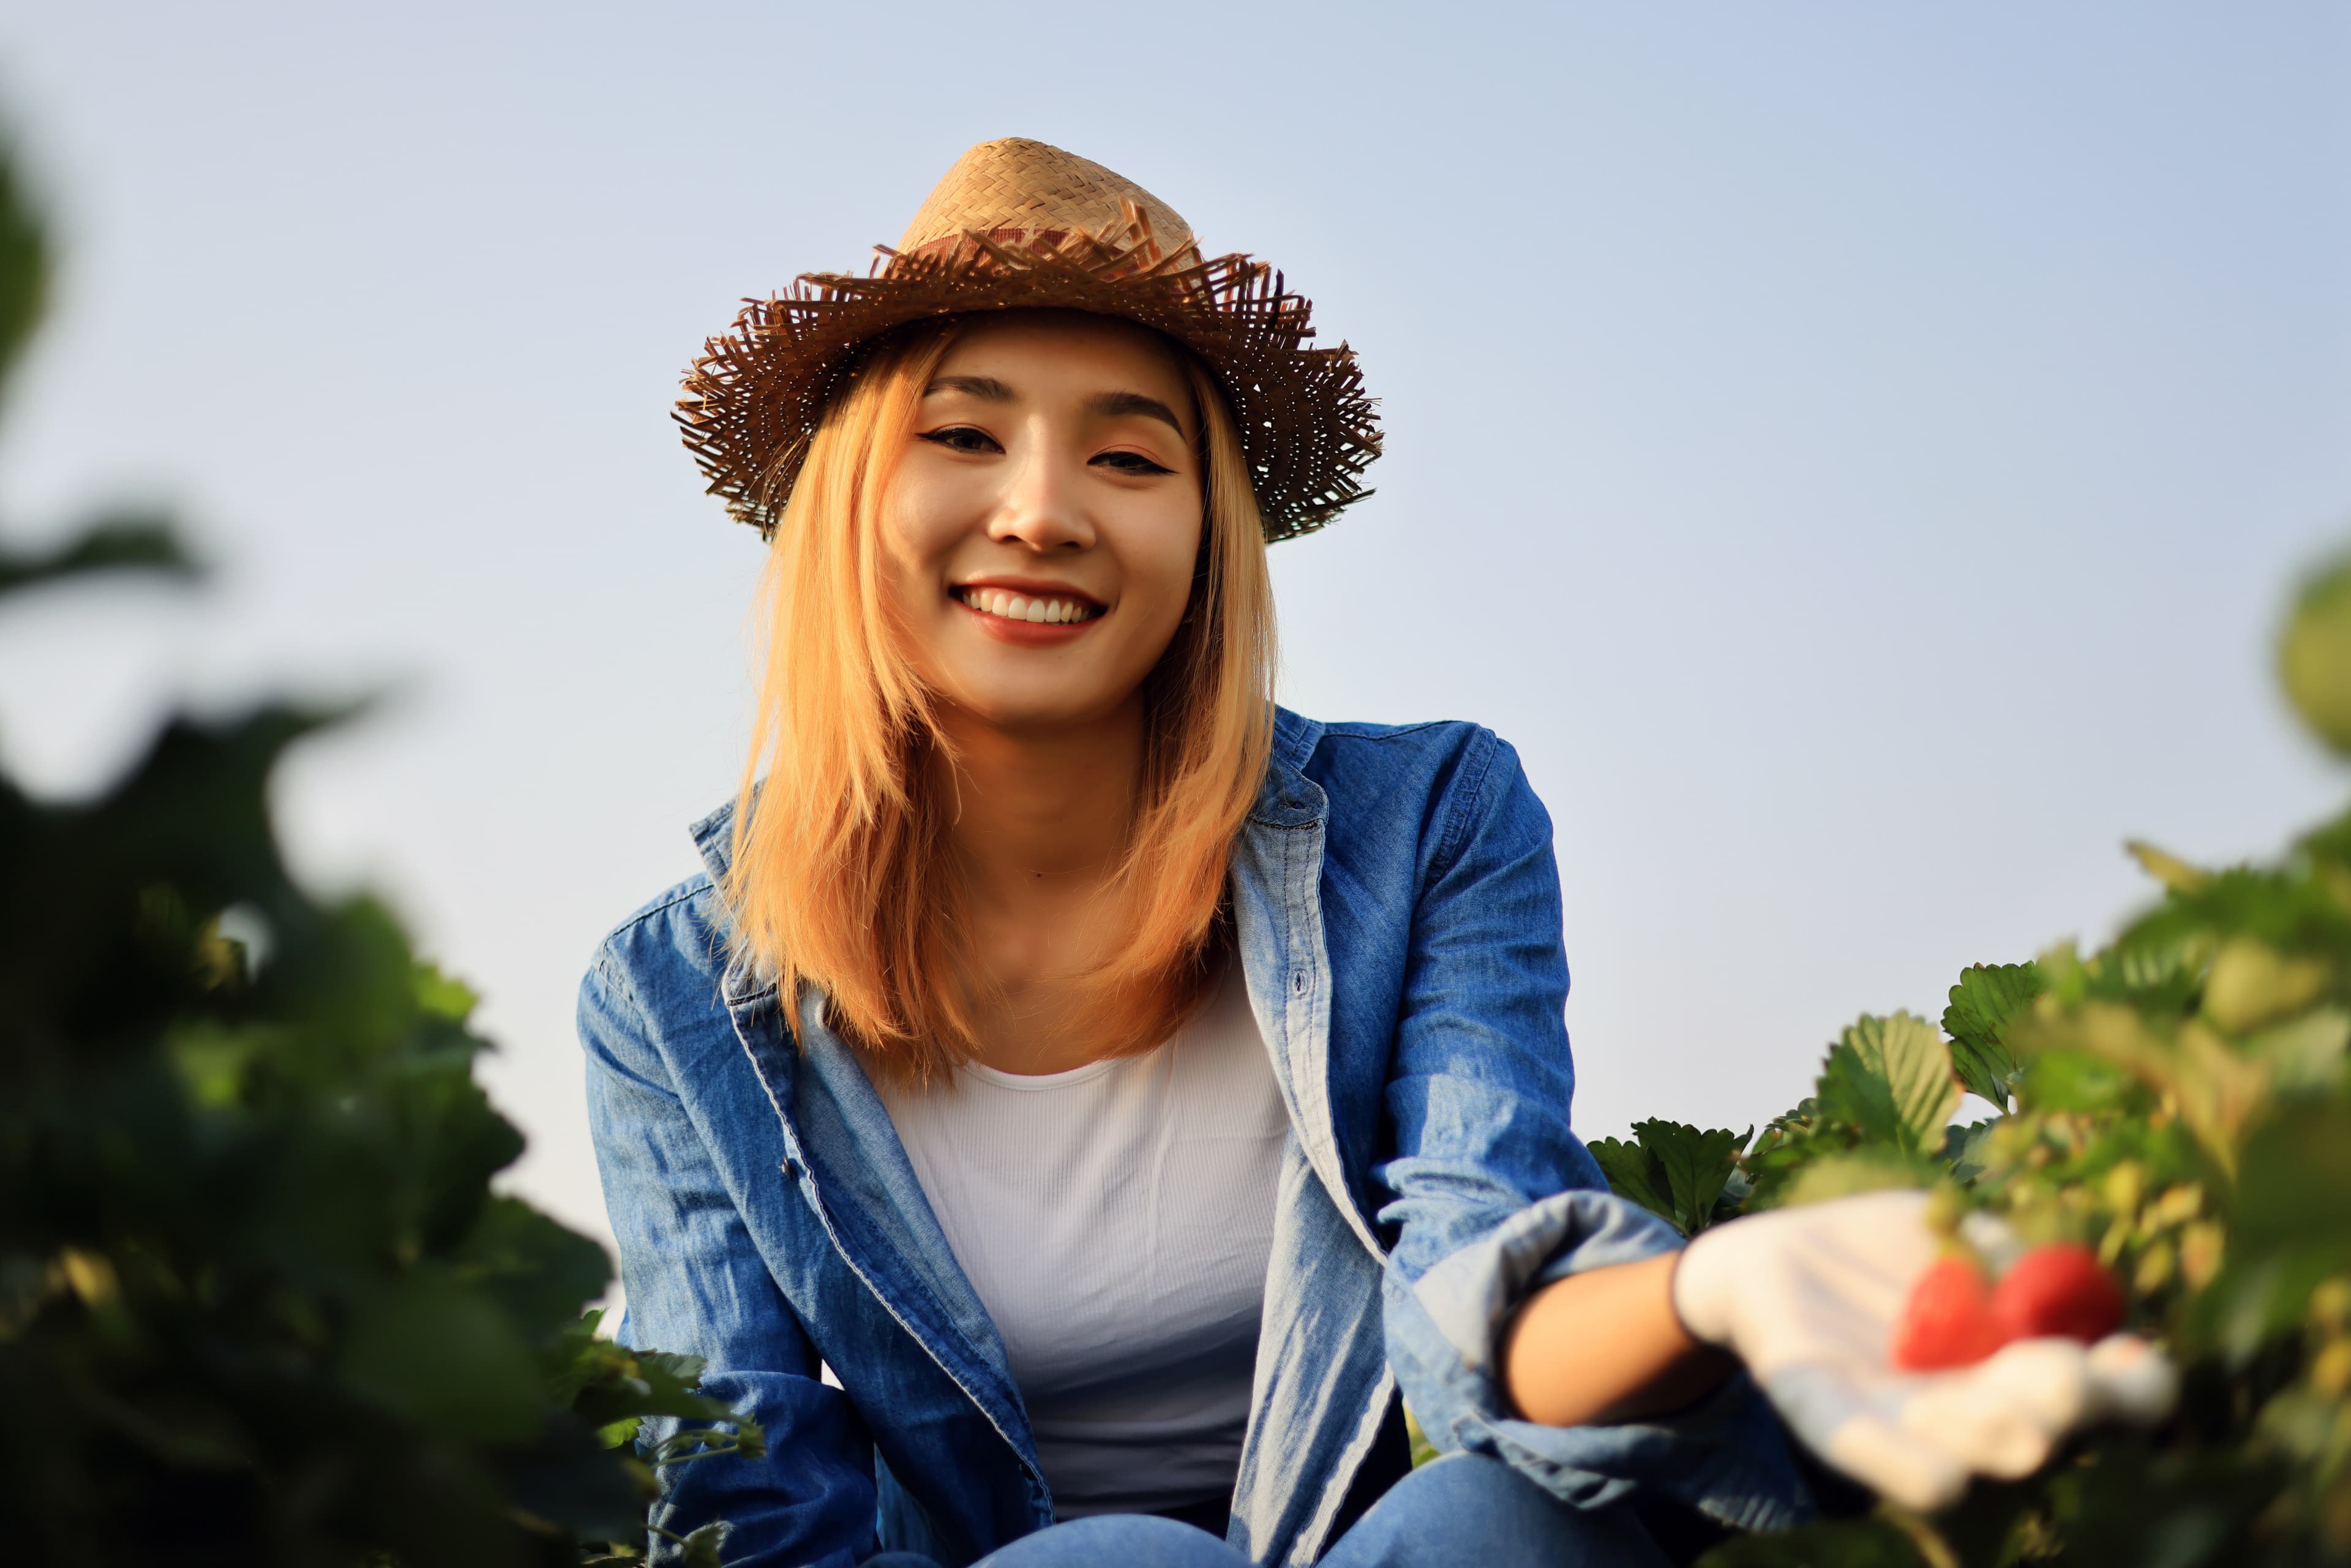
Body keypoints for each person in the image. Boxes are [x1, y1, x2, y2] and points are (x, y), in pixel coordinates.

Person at [580, 139, 2167, 1568]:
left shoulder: (1429, 831)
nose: (1045, 510)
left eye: (1131, 458)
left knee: (1500, 1512)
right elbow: (755, 1507)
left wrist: (1715, 1292)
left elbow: (1489, 1283)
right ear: (855, 498)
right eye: (965, 436)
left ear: (1211, 537)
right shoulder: (673, 999)